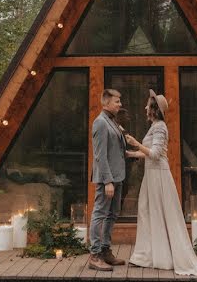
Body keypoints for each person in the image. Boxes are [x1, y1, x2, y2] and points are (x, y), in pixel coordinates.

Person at [125, 90, 197, 275]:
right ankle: (147, 255)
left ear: (153, 109)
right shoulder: (154, 126)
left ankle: (163, 257)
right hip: (151, 175)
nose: (144, 107)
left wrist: (135, 143)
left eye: (147, 105)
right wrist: (131, 153)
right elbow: (148, 152)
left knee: (159, 212)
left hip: (159, 176)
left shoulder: (160, 127)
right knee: (146, 211)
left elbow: (156, 154)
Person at [88, 88, 127, 271]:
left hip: (118, 176)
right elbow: (100, 156)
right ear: (106, 103)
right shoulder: (100, 123)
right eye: (117, 101)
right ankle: (94, 255)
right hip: (108, 179)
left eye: (120, 101)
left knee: (112, 215)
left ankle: (105, 251)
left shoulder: (112, 122)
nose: (120, 104)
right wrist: (107, 181)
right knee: (99, 214)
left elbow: (116, 151)